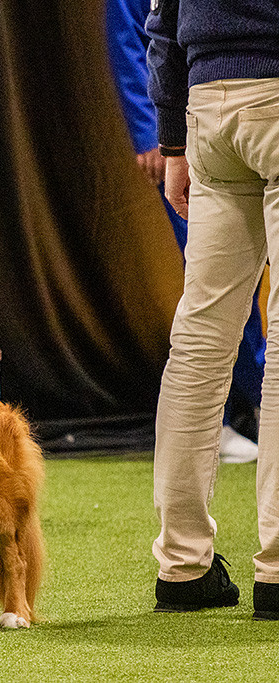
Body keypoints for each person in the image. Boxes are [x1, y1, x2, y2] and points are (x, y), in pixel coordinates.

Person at [146, 0, 279, 620]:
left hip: (209, 103)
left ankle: (182, 565)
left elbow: (162, 18)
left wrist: (173, 137)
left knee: (198, 342)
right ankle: (277, 569)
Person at [105, 0, 263, 464]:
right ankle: (218, 423)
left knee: (233, 287)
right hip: (196, 123)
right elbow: (135, 34)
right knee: (213, 289)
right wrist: (154, 132)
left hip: (216, 114)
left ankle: (249, 407)